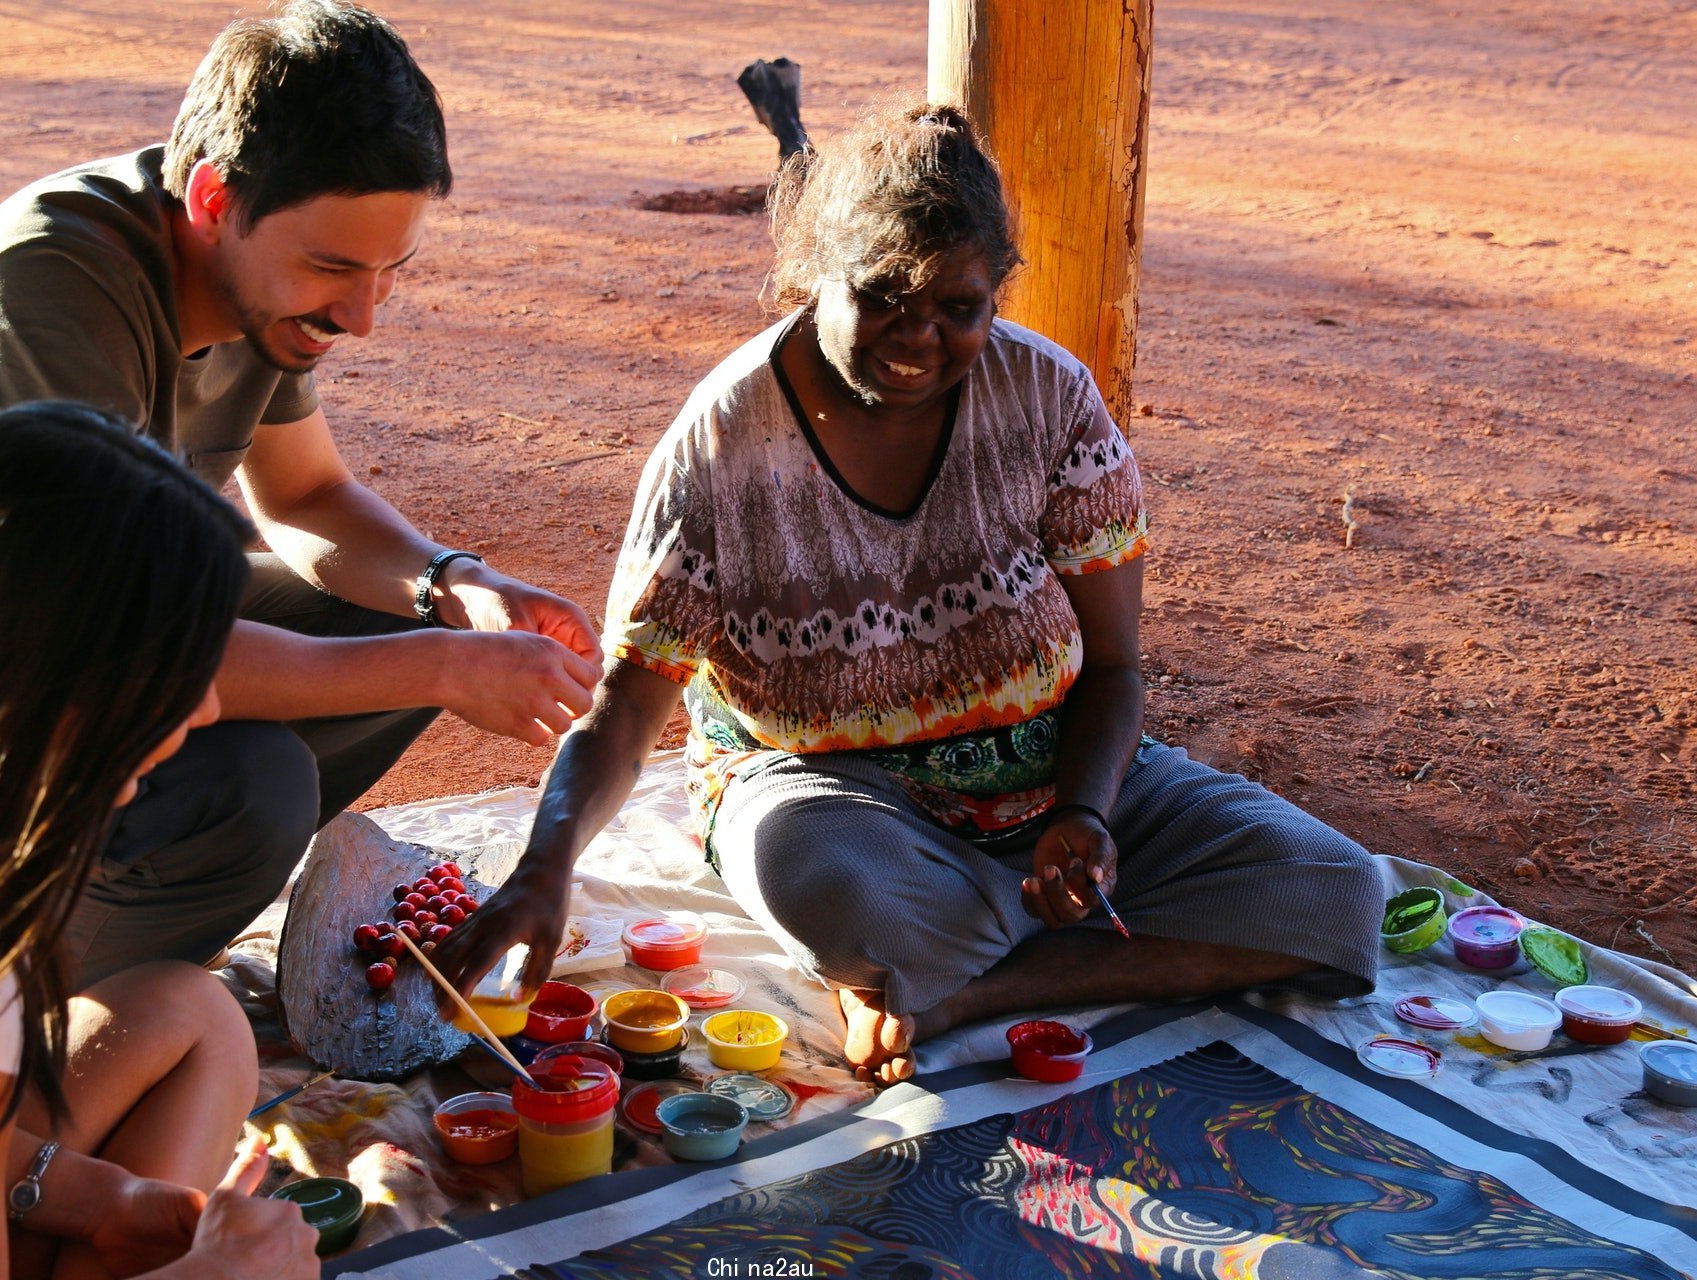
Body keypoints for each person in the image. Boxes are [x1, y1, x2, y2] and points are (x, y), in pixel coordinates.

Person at [444, 104, 1384, 1083]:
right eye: (885, 295)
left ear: (996, 294)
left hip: (1046, 775)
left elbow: (1110, 666)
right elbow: (630, 706)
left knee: (1333, 896)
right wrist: (543, 867)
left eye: (958, 306)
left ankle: (969, 986)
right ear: (816, 276)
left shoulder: (1051, 400)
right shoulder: (726, 441)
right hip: (833, 793)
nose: (918, 336)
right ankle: (940, 952)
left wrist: (1087, 815)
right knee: (828, 879)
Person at [0, 0, 600, 989]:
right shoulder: (52, 287)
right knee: (256, 789)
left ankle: (118, 891)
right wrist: (441, 662)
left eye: (390, 272)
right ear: (215, 198)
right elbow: (112, 644)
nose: (359, 316)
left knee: (381, 612)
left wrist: (454, 587)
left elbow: (304, 494)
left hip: (47, 651)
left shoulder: (255, 282)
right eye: (332, 268)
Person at [0, 404, 319, 1279]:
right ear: (63, 687)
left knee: (190, 1013)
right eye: (179, 672)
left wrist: (94, 1198)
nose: (206, 708)